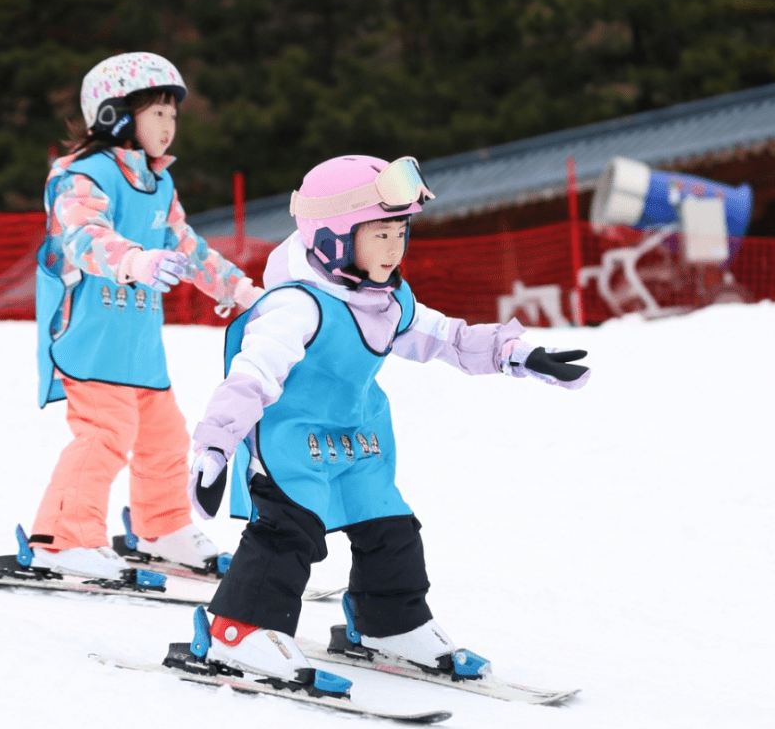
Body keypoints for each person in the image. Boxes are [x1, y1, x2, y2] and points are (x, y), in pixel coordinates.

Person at [176, 154, 590, 684]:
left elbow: (451, 339)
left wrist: (520, 354)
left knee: (392, 530)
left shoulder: (387, 302)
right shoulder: (296, 306)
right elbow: (250, 377)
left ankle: (389, 624)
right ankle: (238, 630)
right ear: (331, 239)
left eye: (401, 232)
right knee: (288, 534)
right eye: (381, 235)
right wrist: (215, 448)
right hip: (291, 445)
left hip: (358, 445)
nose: (395, 248)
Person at [28, 52, 262, 581]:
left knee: (164, 440)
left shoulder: (159, 186)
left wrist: (243, 290)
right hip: (91, 341)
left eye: (173, 115)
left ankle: (163, 529)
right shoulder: (81, 177)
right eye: (157, 113)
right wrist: (135, 260)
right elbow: (84, 238)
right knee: (103, 435)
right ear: (115, 115)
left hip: (139, 349)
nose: (169, 125)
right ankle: (61, 540)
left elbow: (189, 248)